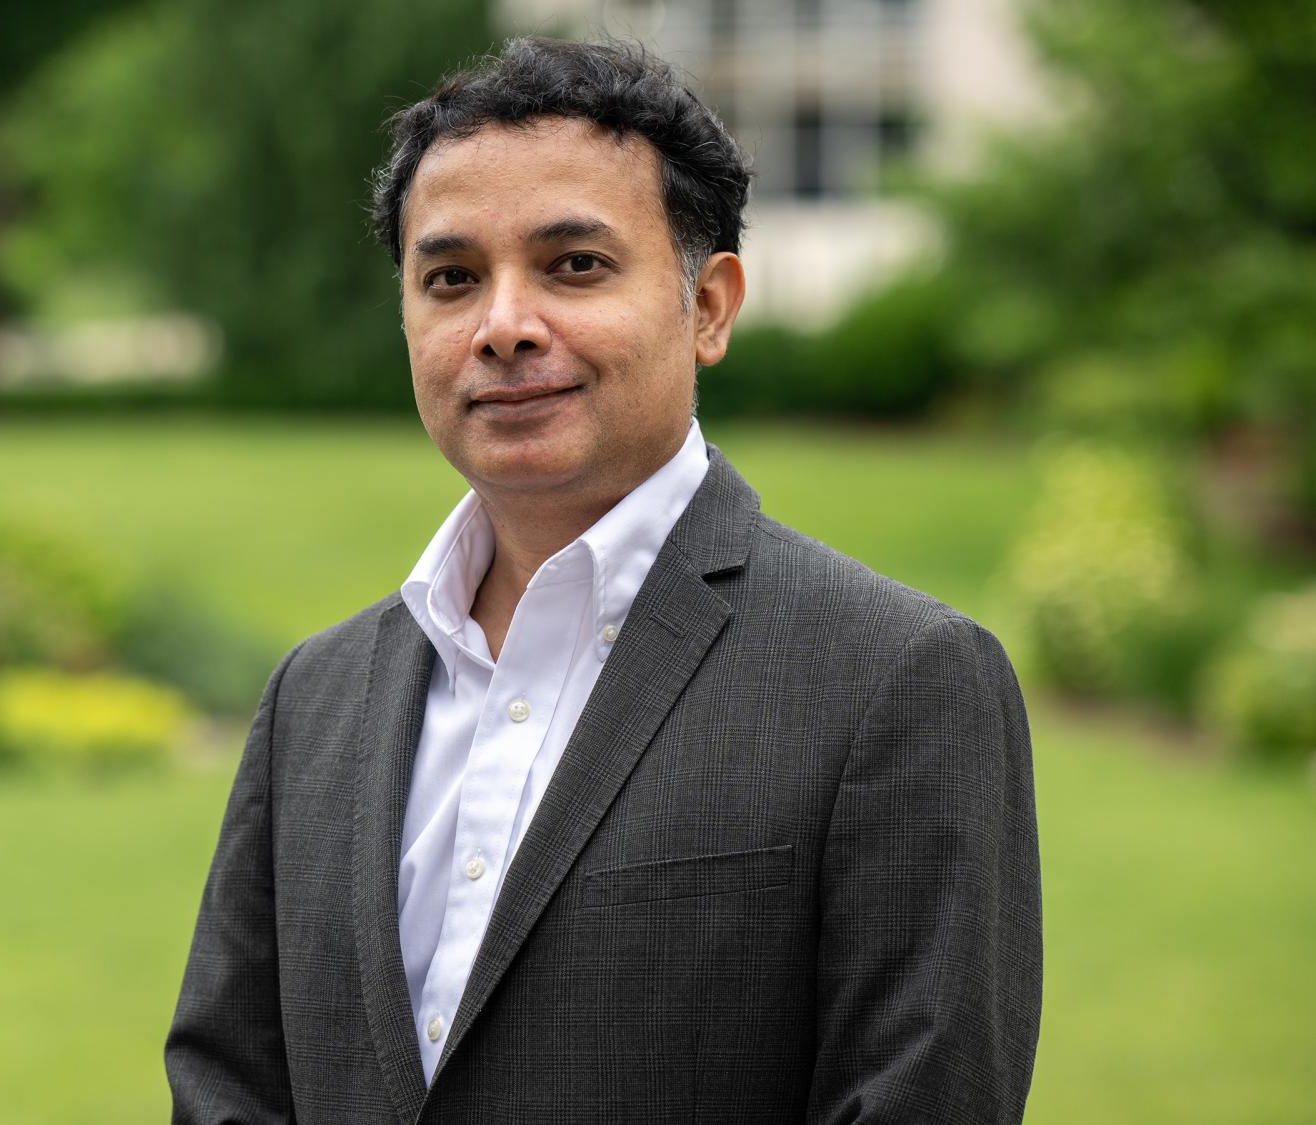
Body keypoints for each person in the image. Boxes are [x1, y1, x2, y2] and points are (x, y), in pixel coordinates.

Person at [165, 36, 1042, 1124]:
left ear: (710, 306)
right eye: (451, 279)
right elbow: (226, 1087)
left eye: (574, 265)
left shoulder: (899, 683)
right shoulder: (315, 697)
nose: (502, 327)